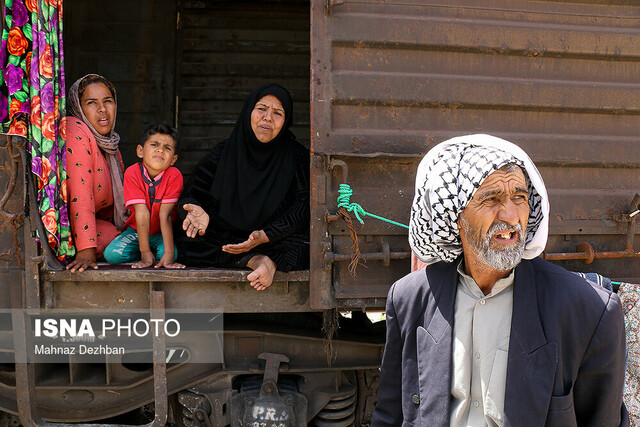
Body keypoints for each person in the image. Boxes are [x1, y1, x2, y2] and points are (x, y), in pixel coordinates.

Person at [371, 134, 628, 426]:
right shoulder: (409, 299)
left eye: (519, 197)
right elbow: (389, 415)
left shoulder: (588, 311)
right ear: (456, 215)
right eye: (490, 199)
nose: (510, 214)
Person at [176, 83, 309, 290]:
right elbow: (191, 195)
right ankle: (256, 260)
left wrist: (266, 235)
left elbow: (304, 206)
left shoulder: (297, 157)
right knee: (190, 237)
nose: (268, 118)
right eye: (261, 109)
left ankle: (269, 260)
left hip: (273, 239)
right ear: (249, 111)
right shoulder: (223, 153)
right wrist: (195, 209)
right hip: (227, 238)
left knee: (310, 245)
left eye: (278, 113)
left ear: (286, 121)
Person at [65, 74, 128, 272]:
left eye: (107, 101)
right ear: (78, 107)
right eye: (92, 103)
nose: (102, 109)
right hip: (73, 229)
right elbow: (79, 194)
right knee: (123, 242)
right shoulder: (75, 129)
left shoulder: (110, 145)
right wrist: (86, 249)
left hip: (100, 224)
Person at [103, 122, 184, 269]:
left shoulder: (174, 175)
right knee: (112, 255)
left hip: (161, 233)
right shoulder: (132, 173)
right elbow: (141, 213)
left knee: (168, 256)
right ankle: (143, 252)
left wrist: (170, 254)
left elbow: (165, 216)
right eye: (154, 144)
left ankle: (156, 253)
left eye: (167, 148)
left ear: (173, 159)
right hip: (136, 230)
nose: (160, 150)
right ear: (140, 151)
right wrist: (144, 252)